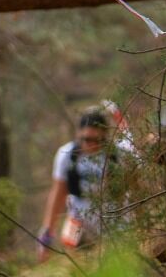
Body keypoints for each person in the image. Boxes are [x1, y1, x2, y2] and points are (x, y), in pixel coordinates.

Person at [36, 107, 120, 262]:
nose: (92, 144)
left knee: (112, 261)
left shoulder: (116, 155)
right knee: (76, 257)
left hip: (111, 214)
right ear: (79, 135)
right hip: (78, 215)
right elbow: (58, 193)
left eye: (98, 140)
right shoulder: (66, 155)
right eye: (87, 139)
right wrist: (47, 233)